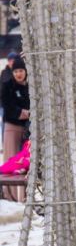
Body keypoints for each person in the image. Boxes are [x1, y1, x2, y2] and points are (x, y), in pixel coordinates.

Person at [1, 56, 29, 201]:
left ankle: (25, 197)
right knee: (11, 161)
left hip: (26, 130)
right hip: (12, 127)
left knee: (25, 162)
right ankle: (9, 197)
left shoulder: (30, 87)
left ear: (25, 71)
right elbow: (8, 106)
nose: (19, 74)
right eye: (16, 71)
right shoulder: (7, 86)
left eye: (21, 71)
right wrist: (25, 113)